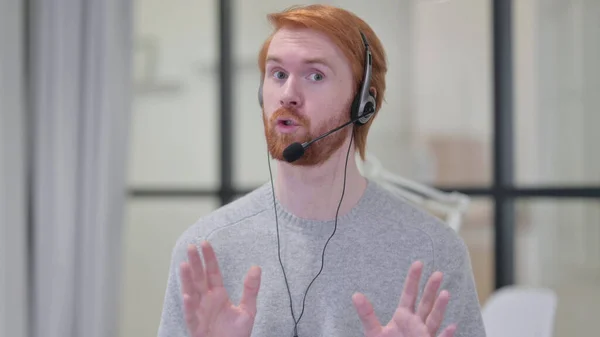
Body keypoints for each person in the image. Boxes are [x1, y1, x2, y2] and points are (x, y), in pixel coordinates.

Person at [157, 4, 486, 337]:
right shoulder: (206, 249)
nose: (288, 94)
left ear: (362, 104)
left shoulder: (433, 251)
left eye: (315, 75)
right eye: (278, 74)